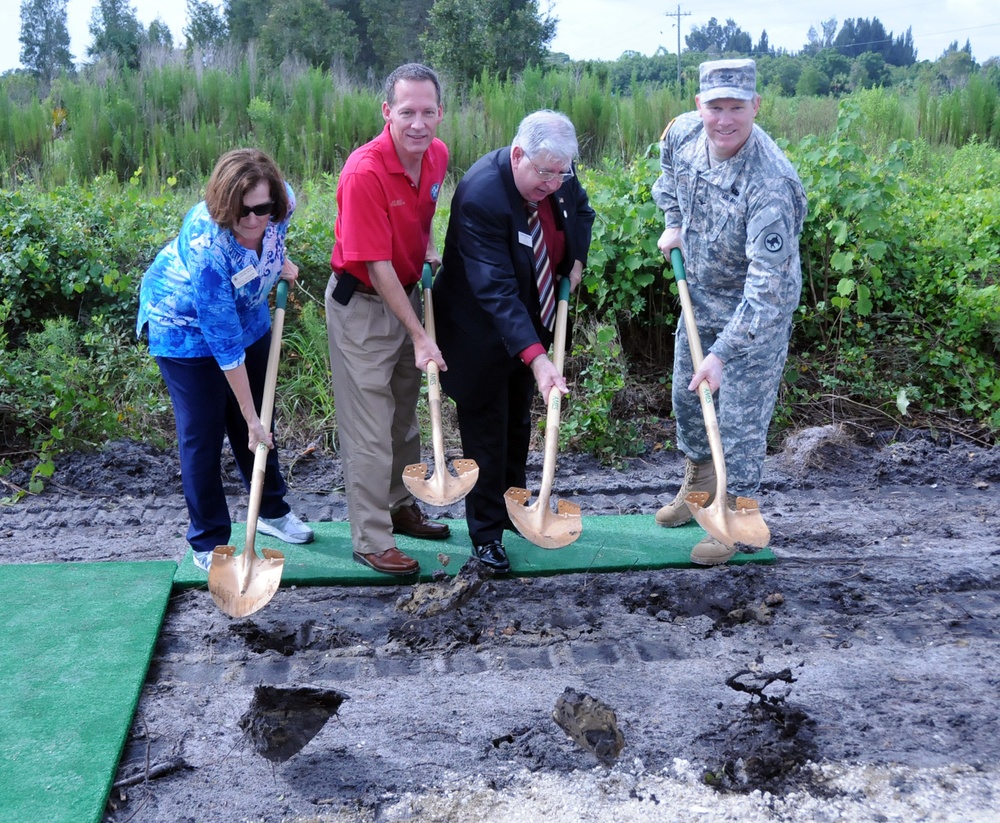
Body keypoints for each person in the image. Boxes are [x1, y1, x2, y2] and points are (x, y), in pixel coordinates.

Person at [651, 58, 807, 565]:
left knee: (738, 426)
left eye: (736, 107)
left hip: (754, 317)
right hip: (701, 297)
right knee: (687, 399)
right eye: (715, 106)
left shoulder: (771, 185)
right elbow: (669, 170)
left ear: (756, 107)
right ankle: (698, 490)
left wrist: (722, 355)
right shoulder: (684, 133)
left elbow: (766, 292)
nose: (724, 119)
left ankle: (734, 519)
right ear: (700, 105)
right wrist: (674, 222)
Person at [137, 148, 314, 573]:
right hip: (183, 323)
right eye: (242, 213)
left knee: (259, 422)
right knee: (206, 430)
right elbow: (225, 346)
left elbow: (268, 244)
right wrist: (250, 416)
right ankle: (209, 539)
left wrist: (276, 264)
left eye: (263, 209)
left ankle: (270, 511)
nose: (254, 220)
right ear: (223, 207)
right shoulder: (207, 249)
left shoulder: (279, 203)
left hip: (247, 312)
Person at [433, 110, 595, 573]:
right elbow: (495, 290)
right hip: (479, 331)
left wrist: (576, 261)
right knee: (485, 433)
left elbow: (580, 212)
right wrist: (540, 361)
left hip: (533, 320)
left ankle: (513, 510)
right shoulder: (482, 195)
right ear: (519, 154)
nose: (553, 184)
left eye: (560, 174)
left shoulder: (557, 169)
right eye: (544, 174)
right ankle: (485, 536)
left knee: (518, 425)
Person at [325, 63, 451, 577]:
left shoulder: (436, 156)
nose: (418, 123)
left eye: (427, 112)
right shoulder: (364, 172)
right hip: (365, 306)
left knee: (404, 416)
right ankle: (371, 539)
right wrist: (421, 335)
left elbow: (420, 217)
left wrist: (427, 248)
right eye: (407, 113)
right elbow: (375, 266)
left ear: (440, 113)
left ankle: (400, 505)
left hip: (403, 295)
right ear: (387, 112)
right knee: (370, 427)